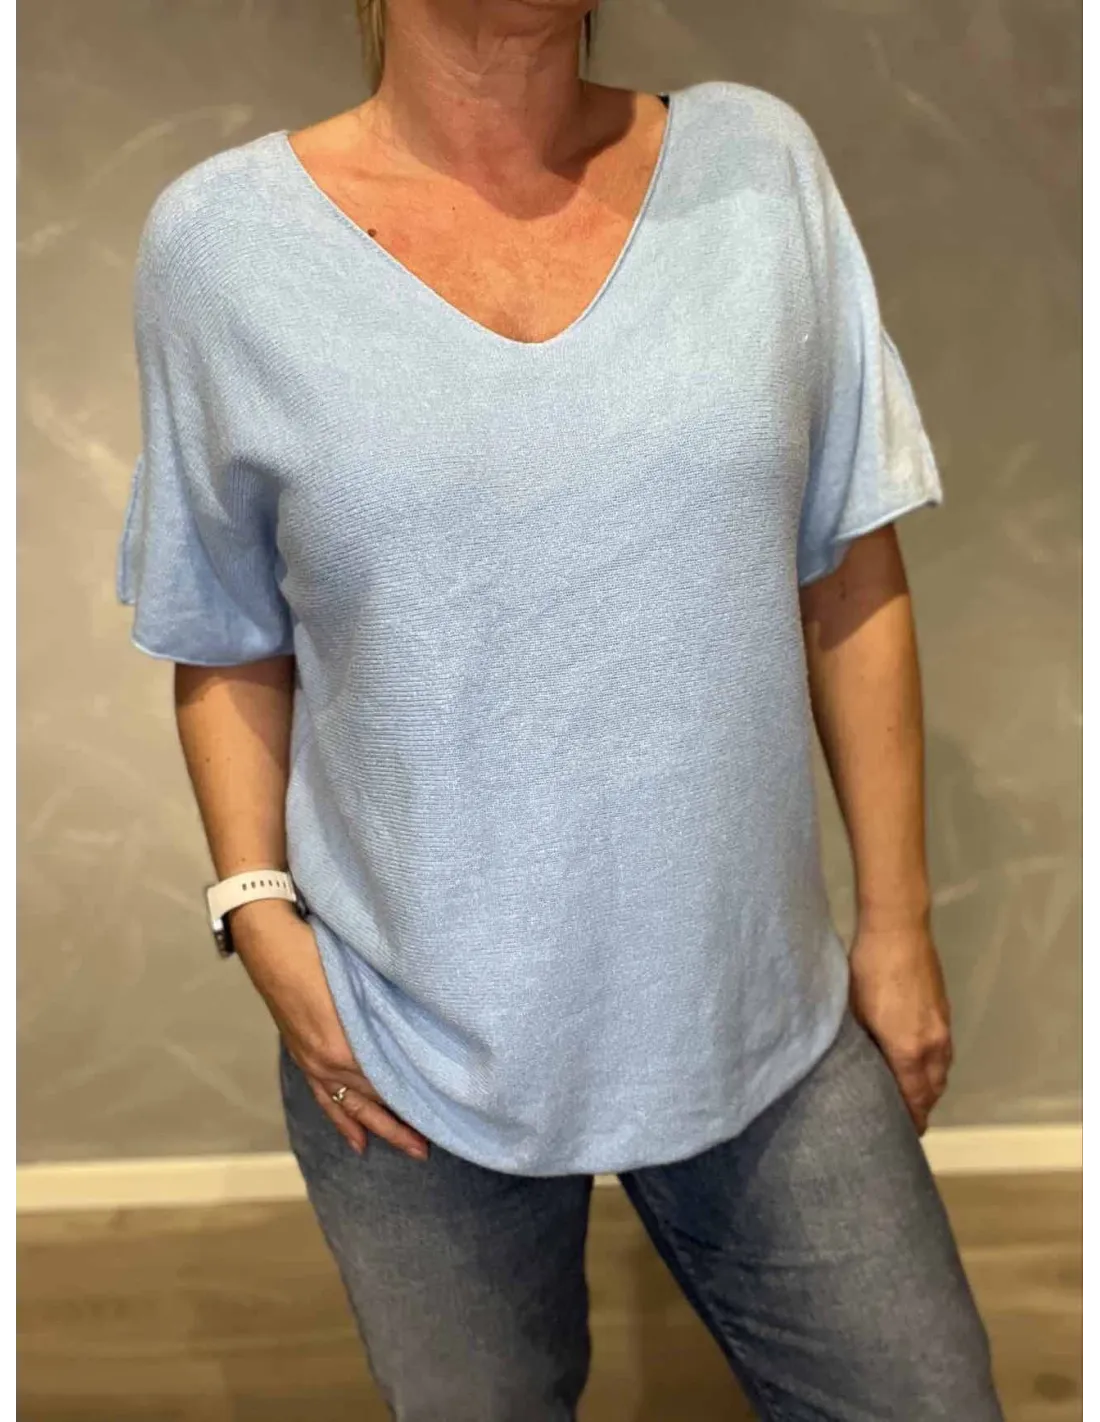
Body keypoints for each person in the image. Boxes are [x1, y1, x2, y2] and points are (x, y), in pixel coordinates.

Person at [115, 1, 1007, 1417]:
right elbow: (226, 635)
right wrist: (257, 909)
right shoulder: (222, 246)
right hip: (408, 1042)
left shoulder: (757, 167)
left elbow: (848, 565)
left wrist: (897, 925)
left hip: (757, 1011)